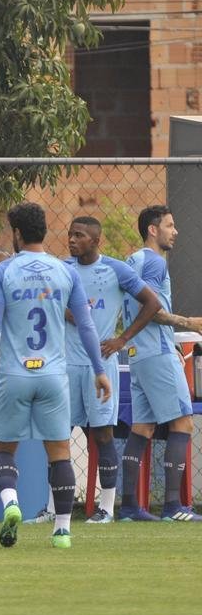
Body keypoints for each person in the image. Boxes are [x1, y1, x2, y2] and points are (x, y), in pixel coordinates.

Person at [0, 202, 110, 549]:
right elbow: (88, 326)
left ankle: (12, 503)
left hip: (15, 375)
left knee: (3, 450)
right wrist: (100, 370)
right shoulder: (66, 272)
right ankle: (62, 530)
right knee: (59, 452)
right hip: (52, 375)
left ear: (16, 233)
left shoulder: (3, 272)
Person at [25, 216, 159, 525]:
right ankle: (52, 508)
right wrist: (67, 312)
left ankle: (106, 509)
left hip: (101, 366)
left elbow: (151, 303)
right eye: (70, 234)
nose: (72, 240)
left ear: (95, 241)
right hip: (65, 365)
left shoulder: (115, 269)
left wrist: (122, 339)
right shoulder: (61, 268)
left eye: (79, 236)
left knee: (102, 435)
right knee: (58, 436)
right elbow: (47, 301)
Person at [118, 205, 202, 522]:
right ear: (153, 230)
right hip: (157, 350)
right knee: (183, 423)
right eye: (169, 225)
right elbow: (152, 309)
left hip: (139, 356)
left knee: (143, 427)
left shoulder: (133, 260)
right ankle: (173, 508)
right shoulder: (153, 262)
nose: (175, 231)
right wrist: (188, 322)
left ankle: (128, 508)